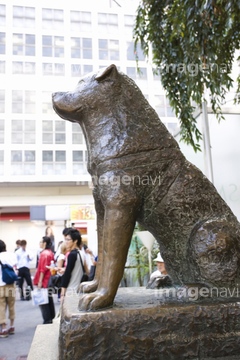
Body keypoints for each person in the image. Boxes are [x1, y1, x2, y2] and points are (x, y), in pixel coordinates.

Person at [60, 229, 88, 300]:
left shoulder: (72, 255)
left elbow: (67, 274)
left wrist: (62, 293)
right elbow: (87, 271)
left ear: (75, 241)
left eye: (68, 240)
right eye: (65, 239)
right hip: (79, 289)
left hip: (71, 290)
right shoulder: (81, 253)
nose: (66, 242)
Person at [33, 236, 55, 324]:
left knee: (43, 301)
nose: (40, 244)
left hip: (44, 281)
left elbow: (42, 269)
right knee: (49, 299)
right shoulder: (50, 252)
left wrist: (40, 281)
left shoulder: (44, 253)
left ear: (45, 243)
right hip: (49, 279)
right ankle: (51, 317)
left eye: (41, 242)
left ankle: (47, 319)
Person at [0, 239, 17, 337]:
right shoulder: (12, 255)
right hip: (11, 284)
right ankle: (12, 326)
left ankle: (4, 329)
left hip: (0, 286)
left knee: (1, 307)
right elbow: (15, 267)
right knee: (11, 305)